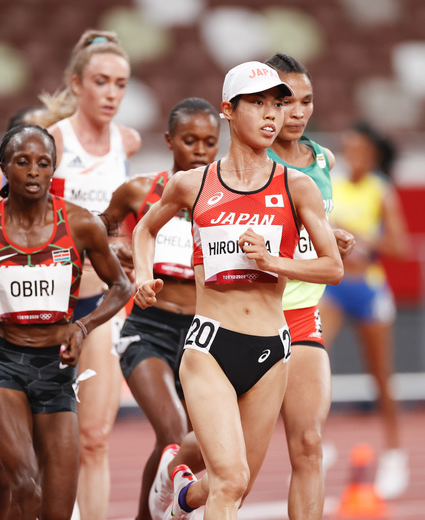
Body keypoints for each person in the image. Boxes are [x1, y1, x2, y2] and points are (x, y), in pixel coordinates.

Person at [133, 61, 343, 520]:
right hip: (209, 345)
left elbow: (333, 267)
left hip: (272, 350)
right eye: (259, 104)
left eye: (277, 104)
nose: (272, 115)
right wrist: (141, 275)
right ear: (228, 110)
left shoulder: (298, 186)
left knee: (236, 484)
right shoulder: (193, 183)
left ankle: (178, 498)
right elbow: (145, 230)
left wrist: (273, 262)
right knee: (229, 480)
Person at [0, 124, 131, 519]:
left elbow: (121, 287)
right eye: (22, 162)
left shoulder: (80, 224)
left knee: (57, 509)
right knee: (25, 485)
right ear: (4, 168)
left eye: (43, 163)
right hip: (1, 363)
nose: (32, 171)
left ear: (53, 170)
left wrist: (83, 327)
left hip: (56, 368)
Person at [103, 97, 219, 520]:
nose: (201, 150)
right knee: (172, 430)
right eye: (190, 140)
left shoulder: (224, 201)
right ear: (170, 140)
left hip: (202, 333)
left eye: (210, 141)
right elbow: (96, 232)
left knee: (200, 444)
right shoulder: (140, 191)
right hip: (147, 327)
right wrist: (116, 248)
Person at [42, 30, 141, 519]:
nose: (111, 94)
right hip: (47, 304)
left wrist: (122, 248)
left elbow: (126, 217)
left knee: (95, 439)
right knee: (47, 438)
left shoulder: (128, 141)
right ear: (76, 83)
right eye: (101, 82)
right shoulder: (54, 141)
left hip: (99, 307)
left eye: (120, 84)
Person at [264, 53, 355, 519]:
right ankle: (175, 487)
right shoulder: (248, 166)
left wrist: (331, 237)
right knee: (231, 460)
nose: (297, 112)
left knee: (309, 445)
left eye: (306, 101)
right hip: (252, 319)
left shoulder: (323, 159)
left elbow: (312, 228)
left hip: (302, 318)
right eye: (285, 102)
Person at [318, 121, 411, 499]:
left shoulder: (381, 190)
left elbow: (401, 246)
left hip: (368, 290)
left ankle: (394, 454)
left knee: (380, 377)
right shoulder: (331, 185)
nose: (349, 154)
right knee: (312, 357)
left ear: (371, 155)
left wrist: (367, 238)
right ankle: (316, 441)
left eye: (356, 149)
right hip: (334, 286)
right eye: (346, 147)